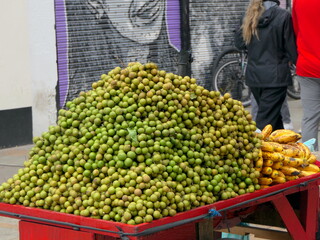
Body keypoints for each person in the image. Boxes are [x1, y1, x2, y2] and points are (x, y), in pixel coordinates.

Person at [234, 0, 297, 131]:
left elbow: (239, 44)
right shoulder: (283, 15)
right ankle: (256, 149)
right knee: (265, 121)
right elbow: (291, 48)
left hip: (255, 78)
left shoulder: (248, 16)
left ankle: (282, 147)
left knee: (273, 119)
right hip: (276, 77)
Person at [292, 0, 320, 151]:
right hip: (309, 66)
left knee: (310, 117)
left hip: (307, 66)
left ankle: (310, 161)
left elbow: (296, 29)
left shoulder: (299, 1)